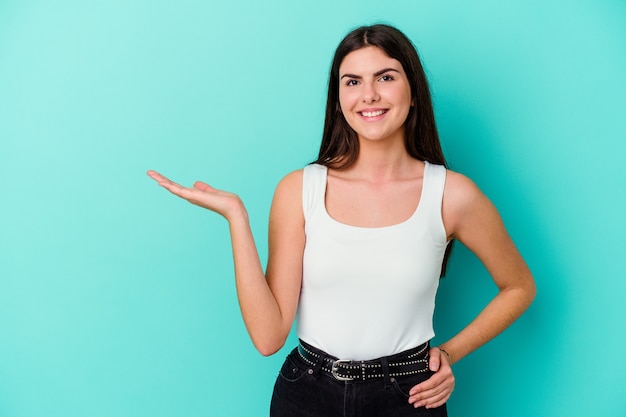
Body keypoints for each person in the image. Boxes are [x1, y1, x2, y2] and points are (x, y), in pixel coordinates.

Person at [147, 24, 535, 416]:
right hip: (306, 396)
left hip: (409, 396)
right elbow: (268, 337)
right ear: (338, 99)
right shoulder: (300, 189)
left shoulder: (452, 194)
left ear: (413, 91)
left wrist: (449, 353)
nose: (369, 95)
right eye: (352, 81)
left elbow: (518, 286)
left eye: (385, 77)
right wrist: (236, 217)